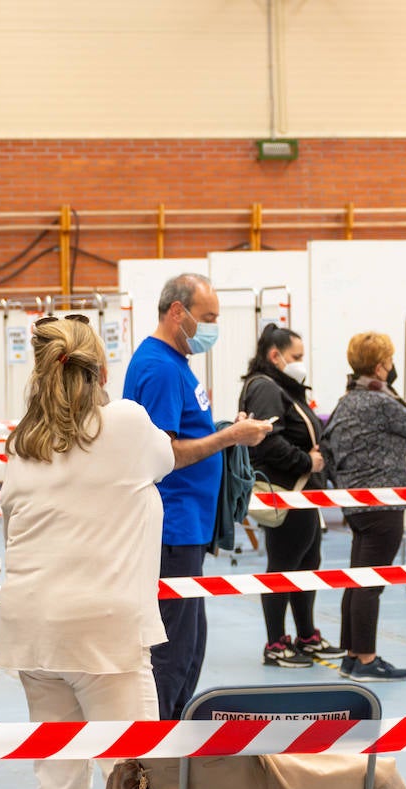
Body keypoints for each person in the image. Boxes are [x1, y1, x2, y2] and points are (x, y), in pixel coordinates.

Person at [0, 314, 173, 789]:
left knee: (57, 787)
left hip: (34, 634)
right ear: (102, 371)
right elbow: (166, 460)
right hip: (105, 636)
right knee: (129, 787)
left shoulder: (25, 444)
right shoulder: (125, 423)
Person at [123, 273, 272, 720]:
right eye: (206, 318)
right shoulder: (161, 368)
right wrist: (229, 439)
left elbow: (186, 435)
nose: (212, 329)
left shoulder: (177, 365)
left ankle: (172, 737)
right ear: (177, 312)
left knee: (190, 641)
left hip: (189, 525)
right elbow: (163, 454)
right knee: (173, 645)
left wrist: (227, 431)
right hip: (171, 526)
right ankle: (158, 750)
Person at [319, 332, 406, 682]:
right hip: (384, 502)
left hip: (355, 502)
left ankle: (351, 655)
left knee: (357, 580)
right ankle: (366, 659)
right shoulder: (380, 402)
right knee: (371, 583)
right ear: (381, 367)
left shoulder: (346, 401)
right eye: (390, 362)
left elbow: (328, 446)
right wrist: (390, 392)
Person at [239, 323, 341, 667]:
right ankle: (275, 643)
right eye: (296, 356)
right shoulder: (265, 388)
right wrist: (306, 461)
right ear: (275, 356)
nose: (301, 362)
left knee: (307, 563)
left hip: (303, 493)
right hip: (285, 491)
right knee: (282, 566)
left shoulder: (285, 387)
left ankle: (306, 635)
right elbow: (268, 439)